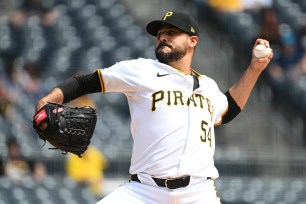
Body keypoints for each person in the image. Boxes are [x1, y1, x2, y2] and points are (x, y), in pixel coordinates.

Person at [34, 11, 273, 204]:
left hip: (198, 193)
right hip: (144, 192)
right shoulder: (141, 70)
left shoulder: (208, 86)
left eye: (171, 32)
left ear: (193, 41)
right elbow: (86, 82)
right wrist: (49, 98)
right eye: (160, 34)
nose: (163, 37)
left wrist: (254, 69)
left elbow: (228, 109)